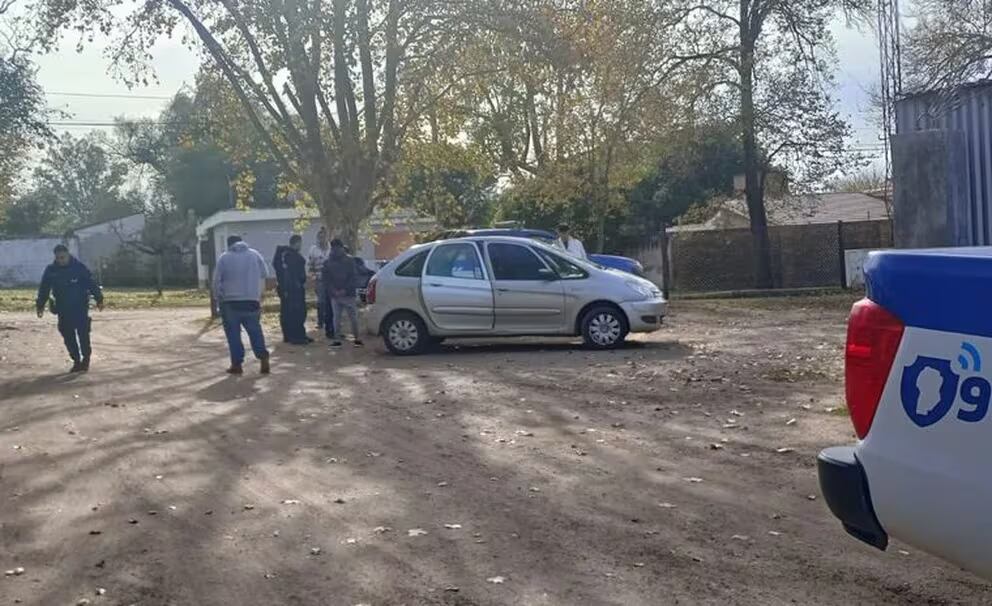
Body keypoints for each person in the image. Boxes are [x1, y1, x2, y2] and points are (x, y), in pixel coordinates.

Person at [35, 244, 104, 373]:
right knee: (68, 336)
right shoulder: (51, 270)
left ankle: (86, 359)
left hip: (80, 307)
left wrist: (99, 299)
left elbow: (91, 283)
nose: (61, 260)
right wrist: (40, 305)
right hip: (62, 308)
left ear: (68, 255)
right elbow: (44, 288)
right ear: (55, 257)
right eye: (58, 258)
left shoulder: (78, 267)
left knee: (83, 334)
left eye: (63, 257)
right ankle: (76, 360)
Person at [213, 236, 271, 375]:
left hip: (230, 302)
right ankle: (263, 356)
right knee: (255, 331)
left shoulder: (224, 257)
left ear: (229, 244)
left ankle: (237, 364)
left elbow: (216, 281)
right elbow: (265, 273)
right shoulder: (254, 254)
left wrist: (218, 297)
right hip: (251, 300)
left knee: (233, 335)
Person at [322, 238, 363, 348]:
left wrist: (341, 290)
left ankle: (355, 338)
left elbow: (353, 277)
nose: (335, 250)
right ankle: (339, 339)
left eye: (337, 248)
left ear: (341, 247)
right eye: (334, 248)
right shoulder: (329, 262)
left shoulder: (348, 261)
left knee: (351, 317)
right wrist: (335, 291)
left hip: (346, 294)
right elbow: (326, 279)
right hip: (338, 294)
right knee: (338, 318)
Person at [273, 234, 311, 345]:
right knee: (298, 313)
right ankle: (297, 336)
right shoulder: (292, 256)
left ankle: (289, 336)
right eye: (300, 243)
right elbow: (296, 274)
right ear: (297, 243)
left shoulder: (283, 255)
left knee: (286, 312)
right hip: (294, 288)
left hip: (285, 288)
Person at [308, 227, 333, 334]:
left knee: (332, 301)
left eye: (324, 237)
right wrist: (313, 277)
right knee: (321, 301)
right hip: (319, 279)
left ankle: (331, 321)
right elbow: (310, 266)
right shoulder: (313, 249)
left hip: (332, 280)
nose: (322, 239)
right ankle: (320, 322)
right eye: (320, 237)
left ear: (327, 238)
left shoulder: (331, 249)